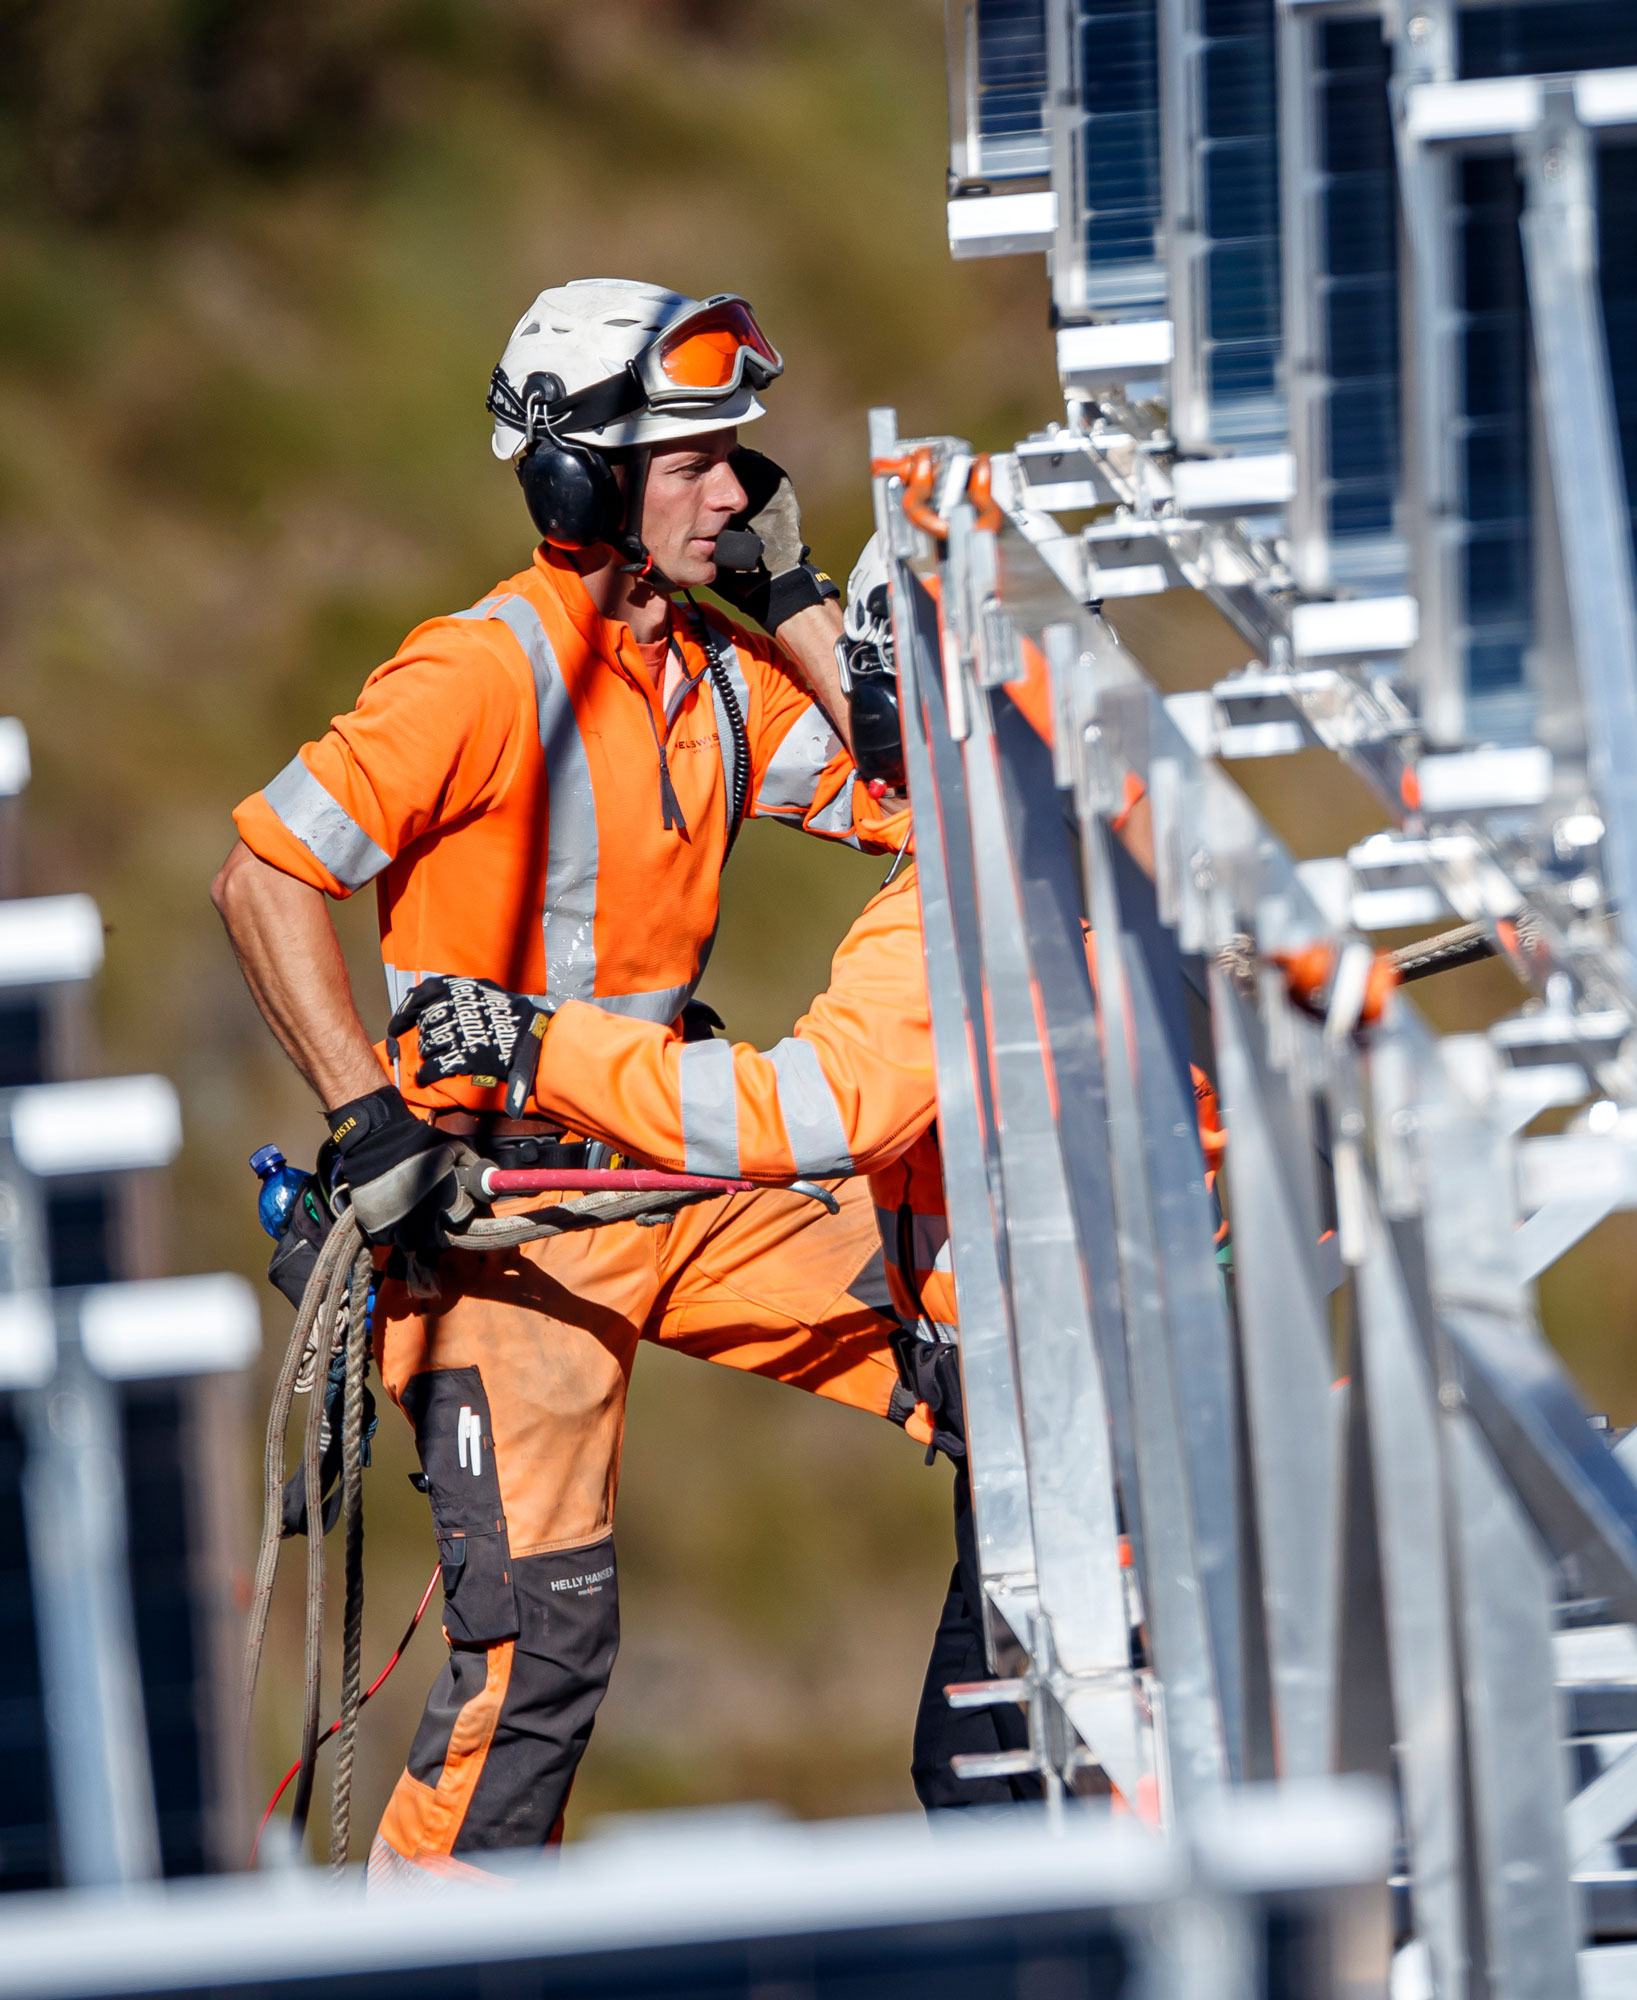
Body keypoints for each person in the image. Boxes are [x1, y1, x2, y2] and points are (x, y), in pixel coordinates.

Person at [211, 282, 945, 1878]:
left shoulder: (719, 682)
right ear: (573, 479)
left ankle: (1002, 1772)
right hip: (498, 1225)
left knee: (992, 1368)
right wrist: (367, 1117)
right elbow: (264, 879)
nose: (733, 489)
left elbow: (930, 801)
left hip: (675, 1175)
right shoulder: (475, 678)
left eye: (740, 460)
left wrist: (802, 596)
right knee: (537, 1666)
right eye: (689, 462)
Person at [395, 536, 1219, 1809]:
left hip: (1088, 1416)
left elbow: (800, 1111)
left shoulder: (971, 897)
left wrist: (535, 1043)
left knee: (1053, 1784)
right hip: (1139, 1373)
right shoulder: (1141, 801)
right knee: (983, 1763)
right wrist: (796, 601)